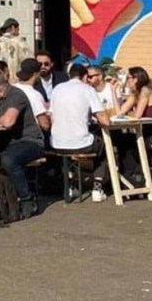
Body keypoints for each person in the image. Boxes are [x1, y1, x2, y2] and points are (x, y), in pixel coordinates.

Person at [0, 66, 46, 219]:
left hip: (29, 141)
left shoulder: (16, 95)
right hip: (6, 141)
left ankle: (27, 199)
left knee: (9, 160)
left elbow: (8, 121)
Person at [49, 63, 111, 202]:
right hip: (81, 142)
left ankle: (72, 184)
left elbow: (52, 116)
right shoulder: (87, 89)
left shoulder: (57, 89)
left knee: (70, 154)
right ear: (84, 76)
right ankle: (98, 186)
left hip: (57, 142)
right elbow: (104, 119)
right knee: (103, 146)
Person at [116, 66, 152, 177]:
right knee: (122, 141)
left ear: (135, 79)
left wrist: (131, 113)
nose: (126, 81)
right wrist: (114, 92)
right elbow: (119, 113)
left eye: (128, 77)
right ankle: (130, 176)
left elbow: (137, 116)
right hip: (144, 136)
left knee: (130, 144)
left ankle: (135, 175)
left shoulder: (146, 90)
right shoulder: (134, 94)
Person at [13, 59, 52, 133]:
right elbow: (44, 125)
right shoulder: (34, 95)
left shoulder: (12, 88)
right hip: (29, 135)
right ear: (35, 74)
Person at [0, 18, 32, 83]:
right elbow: (28, 62)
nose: (19, 32)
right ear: (13, 27)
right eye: (18, 29)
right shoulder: (19, 42)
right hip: (15, 81)